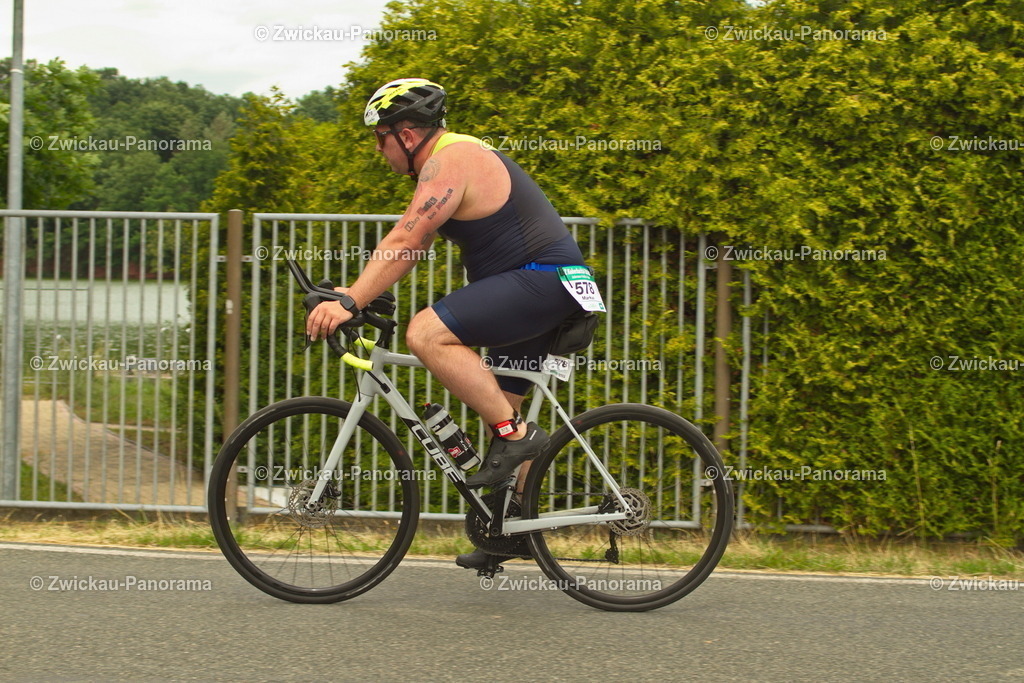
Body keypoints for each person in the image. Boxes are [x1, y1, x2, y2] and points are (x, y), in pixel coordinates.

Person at [305, 78, 593, 568]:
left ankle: (517, 437)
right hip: (547, 285)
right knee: (502, 413)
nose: (379, 149)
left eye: (380, 137)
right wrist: (360, 295)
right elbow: (412, 247)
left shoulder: (448, 158)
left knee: (426, 334)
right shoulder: (450, 162)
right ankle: (510, 531)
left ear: (407, 135)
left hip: (541, 281)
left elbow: (407, 236)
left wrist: (351, 301)